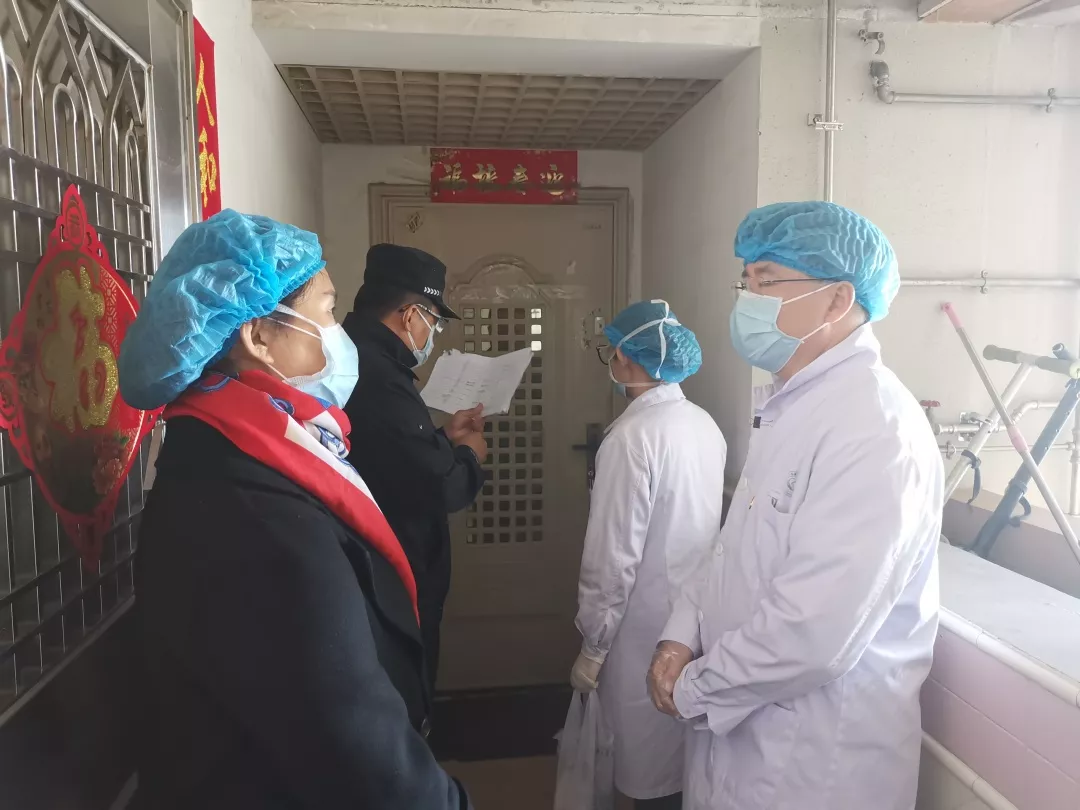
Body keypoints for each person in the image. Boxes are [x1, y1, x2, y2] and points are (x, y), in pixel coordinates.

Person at [118, 212, 470, 810]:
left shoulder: (247, 439)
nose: (338, 334)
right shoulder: (246, 508)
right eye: (327, 311)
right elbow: (348, 734)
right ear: (258, 337)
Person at [646, 202, 942, 810]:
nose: (747, 300)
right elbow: (731, 552)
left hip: (813, 763)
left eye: (767, 281)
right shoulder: (793, 404)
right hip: (744, 738)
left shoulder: (875, 427)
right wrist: (679, 638)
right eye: (745, 280)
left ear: (837, 299)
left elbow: (814, 631)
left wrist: (694, 688)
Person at [571, 300, 727, 810]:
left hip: (639, 628)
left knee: (642, 764)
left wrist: (594, 644)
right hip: (696, 621)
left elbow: (612, 558)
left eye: (611, 352)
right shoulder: (704, 425)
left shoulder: (630, 439)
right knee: (683, 761)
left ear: (625, 357)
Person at [342, 244, 486, 688]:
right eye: (435, 322)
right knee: (407, 687)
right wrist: (471, 455)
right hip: (395, 567)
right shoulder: (380, 376)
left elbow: (394, 453)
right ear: (411, 315)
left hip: (382, 562)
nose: (433, 334)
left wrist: (442, 436)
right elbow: (441, 487)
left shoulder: (360, 357)